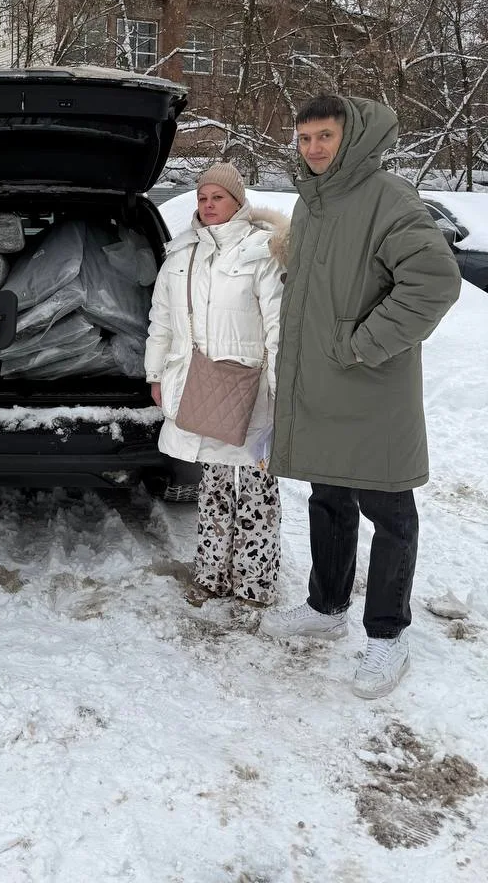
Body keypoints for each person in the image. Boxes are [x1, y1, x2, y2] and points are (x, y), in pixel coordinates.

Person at [259, 95, 461, 698]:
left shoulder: (389, 198)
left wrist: (361, 344)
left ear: (352, 139)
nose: (314, 149)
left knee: (390, 512)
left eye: (325, 137)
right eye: (305, 139)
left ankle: (388, 636)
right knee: (328, 496)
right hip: (322, 382)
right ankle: (326, 608)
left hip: (371, 387)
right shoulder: (313, 202)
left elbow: (433, 283)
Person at [146, 163, 289, 607]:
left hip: (250, 391)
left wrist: (281, 390)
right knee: (213, 486)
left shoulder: (262, 250)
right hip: (198, 387)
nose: (208, 206)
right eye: (202, 198)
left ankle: (254, 581)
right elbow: (161, 321)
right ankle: (211, 574)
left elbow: (278, 328)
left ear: (238, 201)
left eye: (218, 198)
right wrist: (155, 374)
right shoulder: (181, 253)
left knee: (256, 488)